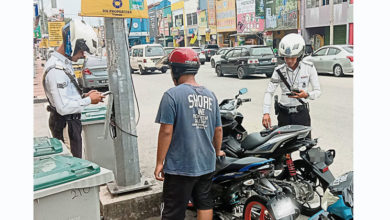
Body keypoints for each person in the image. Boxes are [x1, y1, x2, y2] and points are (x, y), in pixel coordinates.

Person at [154, 48, 225, 220]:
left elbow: (166, 131)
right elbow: (218, 129)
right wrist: (217, 151)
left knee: (173, 211)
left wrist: (159, 162)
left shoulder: (171, 95)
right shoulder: (211, 95)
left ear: (176, 71)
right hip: (206, 163)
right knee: (204, 203)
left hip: (180, 166)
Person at [43, 19, 103, 158]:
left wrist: (85, 96)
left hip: (71, 123)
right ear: (72, 45)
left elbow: (66, 97)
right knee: (73, 165)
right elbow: (63, 107)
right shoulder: (56, 70)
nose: (83, 55)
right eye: (82, 51)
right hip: (65, 125)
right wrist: (88, 101)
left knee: (77, 159)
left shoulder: (64, 64)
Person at [262, 33, 321, 133]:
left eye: (293, 57)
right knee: (283, 147)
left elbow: (318, 91)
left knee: (304, 146)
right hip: (284, 115)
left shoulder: (309, 67)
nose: (289, 61)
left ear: (299, 56)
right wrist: (266, 113)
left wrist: (306, 95)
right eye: (286, 57)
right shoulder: (278, 71)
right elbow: (269, 92)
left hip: (302, 114)